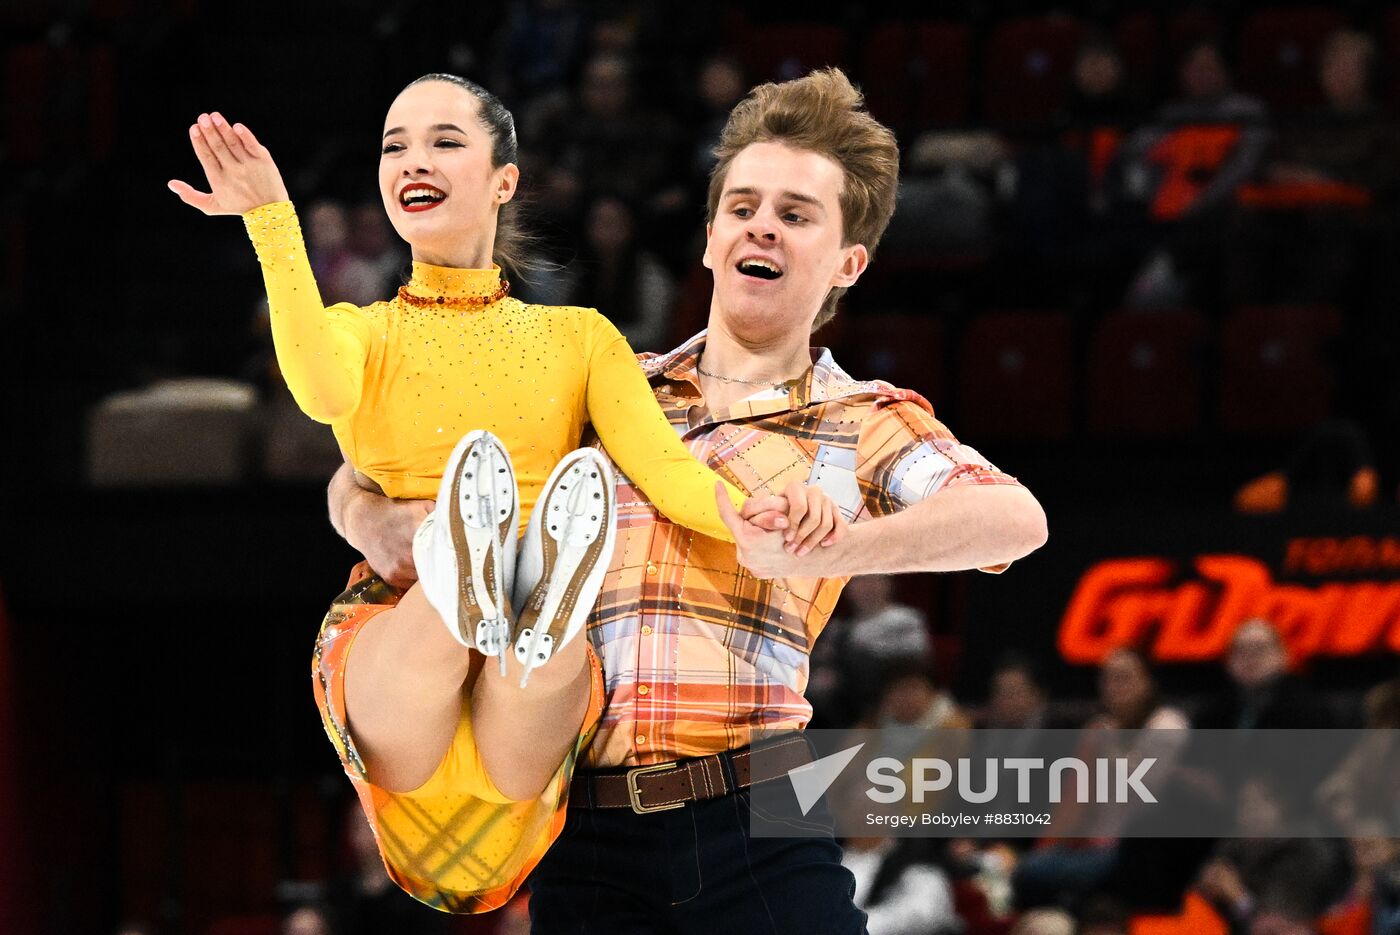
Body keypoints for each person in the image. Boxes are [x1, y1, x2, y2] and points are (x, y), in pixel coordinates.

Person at [336, 67, 1048, 932]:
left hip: (759, 806)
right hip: (585, 822)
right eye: (744, 205)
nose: (763, 226)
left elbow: (1014, 517)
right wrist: (367, 516)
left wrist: (836, 549)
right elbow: (377, 468)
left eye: (796, 214)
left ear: (847, 263)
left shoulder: (864, 419)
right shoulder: (599, 386)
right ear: (710, 236)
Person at [169, 75, 839, 914]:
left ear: (504, 180)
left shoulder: (580, 338)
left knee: (544, 648)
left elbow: (669, 472)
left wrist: (748, 514)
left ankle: (522, 584)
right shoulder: (360, 332)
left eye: (446, 141)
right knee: (448, 621)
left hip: (515, 728)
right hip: (407, 626)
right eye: (395, 145)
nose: (415, 158)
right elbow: (315, 388)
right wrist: (272, 220)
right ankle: (474, 572)